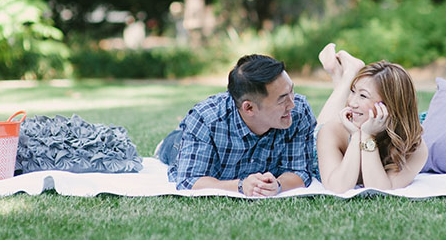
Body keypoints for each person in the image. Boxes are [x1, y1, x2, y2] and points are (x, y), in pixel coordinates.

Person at [164, 54, 317, 196]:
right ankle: (174, 137)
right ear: (249, 108)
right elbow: (189, 180)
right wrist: (241, 186)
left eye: (292, 91)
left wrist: (277, 185)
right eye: (282, 99)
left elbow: (300, 171)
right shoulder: (205, 119)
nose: (292, 104)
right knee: (173, 146)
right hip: (179, 145)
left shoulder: (299, 111)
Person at [315, 43, 428, 193]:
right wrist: (356, 136)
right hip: (318, 139)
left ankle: (343, 74)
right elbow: (338, 187)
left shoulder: (415, 146)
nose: (352, 101)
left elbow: (378, 189)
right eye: (353, 91)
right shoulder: (332, 130)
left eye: (363, 95)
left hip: (369, 124)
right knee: (324, 124)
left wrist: (368, 136)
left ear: (389, 106)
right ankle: (347, 75)